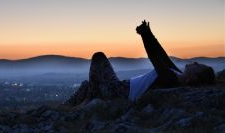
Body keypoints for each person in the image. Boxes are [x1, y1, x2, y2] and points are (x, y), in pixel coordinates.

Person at [65, 20, 216, 105]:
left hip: (119, 93)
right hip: (121, 87)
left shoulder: (172, 79)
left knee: (98, 57)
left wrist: (144, 35)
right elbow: (162, 55)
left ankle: (91, 98)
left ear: (194, 78)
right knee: (88, 84)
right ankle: (77, 102)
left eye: (198, 66)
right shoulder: (175, 73)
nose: (195, 63)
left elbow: (155, 59)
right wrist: (149, 34)